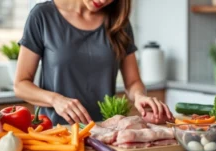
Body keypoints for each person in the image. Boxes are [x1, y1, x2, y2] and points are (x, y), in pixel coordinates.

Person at [14, 0, 175, 125]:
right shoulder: (42, 16)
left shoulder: (119, 22)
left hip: (106, 134)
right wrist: (55, 100)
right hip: (56, 133)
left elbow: (133, 82)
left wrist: (139, 96)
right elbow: (21, 84)